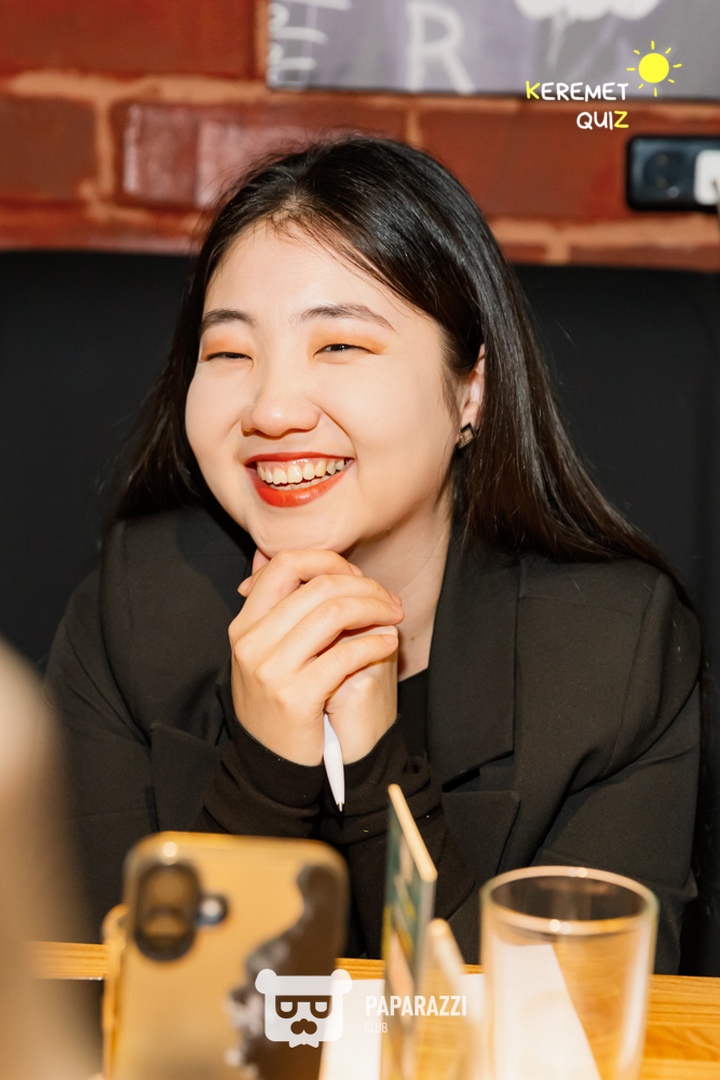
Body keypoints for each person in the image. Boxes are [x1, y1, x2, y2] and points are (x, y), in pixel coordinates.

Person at [46, 135, 700, 973]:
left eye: (340, 346)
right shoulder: (135, 610)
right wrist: (266, 774)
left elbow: (572, 1027)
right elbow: (91, 1011)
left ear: (470, 389)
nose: (272, 409)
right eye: (230, 353)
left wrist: (377, 774)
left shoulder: (614, 658)